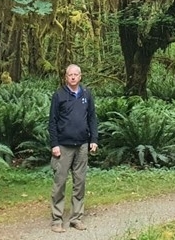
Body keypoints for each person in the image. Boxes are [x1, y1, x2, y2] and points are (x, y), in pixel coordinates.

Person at [48, 63, 98, 232]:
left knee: (80, 183)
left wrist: (94, 139)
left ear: (80, 76)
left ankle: (76, 218)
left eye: (76, 74)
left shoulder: (87, 94)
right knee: (59, 183)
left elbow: (92, 118)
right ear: (66, 77)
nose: (73, 77)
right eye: (70, 74)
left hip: (82, 145)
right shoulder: (59, 95)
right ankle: (57, 220)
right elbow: (52, 122)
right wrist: (54, 144)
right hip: (63, 146)